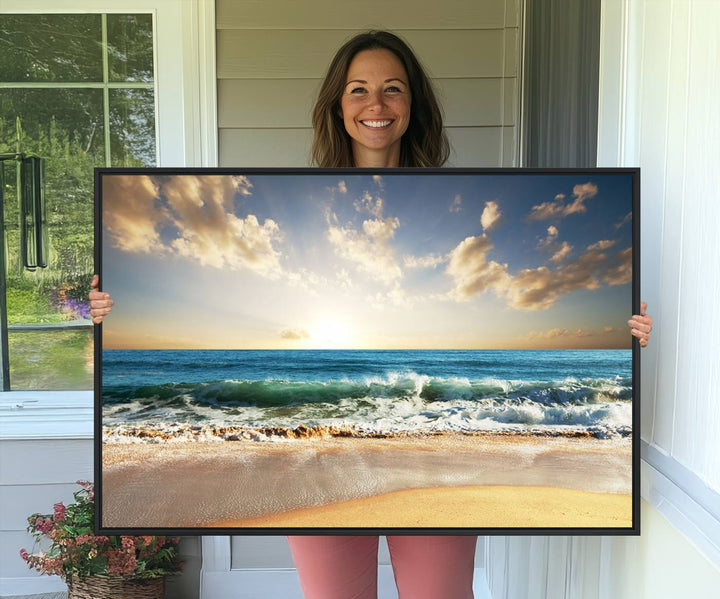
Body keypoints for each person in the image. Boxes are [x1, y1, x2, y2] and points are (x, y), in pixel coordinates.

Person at [89, 30, 653, 599]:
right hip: (316, 461)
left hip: (435, 458)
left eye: (393, 89)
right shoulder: (300, 201)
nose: (376, 105)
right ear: (338, 104)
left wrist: (628, 336)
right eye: (358, 90)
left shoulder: (456, 199)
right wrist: (107, 312)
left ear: (413, 105)